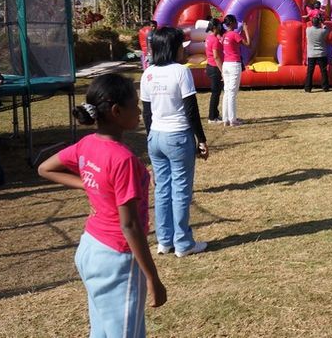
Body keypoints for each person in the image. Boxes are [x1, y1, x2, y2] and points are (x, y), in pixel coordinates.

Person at [37, 74, 167, 335]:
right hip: (117, 259)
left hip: (90, 249)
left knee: (103, 330)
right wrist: (152, 277)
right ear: (117, 111)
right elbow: (129, 224)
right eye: (135, 104)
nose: (140, 110)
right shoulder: (124, 160)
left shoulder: (87, 144)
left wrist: (90, 181)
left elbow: (45, 168)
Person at [141, 27, 210, 258]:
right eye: (181, 46)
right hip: (178, 136)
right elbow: (191, 110)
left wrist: (151, 136)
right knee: (181, 190)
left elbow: (146, 112)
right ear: (173, 48)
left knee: (162, 190)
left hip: (156, 137)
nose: (184, 51)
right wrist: (201, 139)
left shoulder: (147, 73)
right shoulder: (181, 72)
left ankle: (164, 241)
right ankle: (183, 243)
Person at [220, 14, 250, 126]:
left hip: (226, 64)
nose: (238, 24)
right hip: (234, 64)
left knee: (227, 92)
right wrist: (246, 31)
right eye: (236, 22)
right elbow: (248, 44)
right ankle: (233, 119)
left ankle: (225, 119)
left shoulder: (225, 35)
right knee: (232, 92)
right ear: (232, 23)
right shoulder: (234, 34)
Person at [204, 19, 225, 123]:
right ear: (215, 27)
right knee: (215, 93)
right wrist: (222, 71)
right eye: (219, 26)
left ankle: (215, 114)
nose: (221, 27)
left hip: (210, 66)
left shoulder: (208, 38)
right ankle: (212, 117)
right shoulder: (214, 40)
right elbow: (216, 56)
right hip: (215, 68)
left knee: (216, 92)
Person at [305, 15, 332, 93]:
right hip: (321, 53)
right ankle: (325, 87)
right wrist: (323, 22)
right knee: (323, 71)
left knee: (310, 72)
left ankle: (308, 88)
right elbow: (327, 29)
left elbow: (307, 24)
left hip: (311, 54)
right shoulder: (322, 31)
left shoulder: (308, 30)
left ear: (312, 23)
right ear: (319, 23)